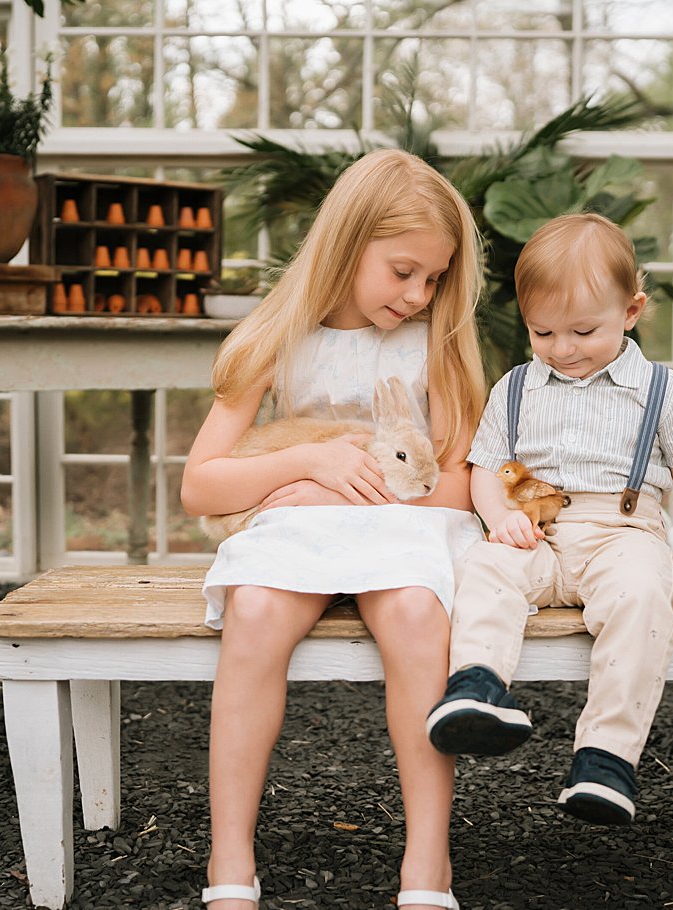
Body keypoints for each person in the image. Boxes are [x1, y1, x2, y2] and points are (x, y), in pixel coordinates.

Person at [179, 148, 487, 910]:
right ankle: (230, 856)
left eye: (435, 277)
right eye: (404, 271)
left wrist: (379, 496)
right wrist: (308, 464)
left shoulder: (434, 344)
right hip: (303, 531)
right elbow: (200, 484)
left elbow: (462, 478)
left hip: (407, 531)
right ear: (348, 245)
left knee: (417, 616)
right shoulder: (279, 339)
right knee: (252, 611)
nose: (419, 294)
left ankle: (427, 863)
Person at [423, 212, 673, 826]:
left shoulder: (663, 390)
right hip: (534, 530)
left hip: (623, 533)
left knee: (644, 596)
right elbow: (486, 469)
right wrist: (496, 515)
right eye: (544, 333)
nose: (563, 349)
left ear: (632, 311)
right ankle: (477, 688)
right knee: (483, 567)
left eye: (584, 331)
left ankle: (605, 758)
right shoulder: (515, 388)